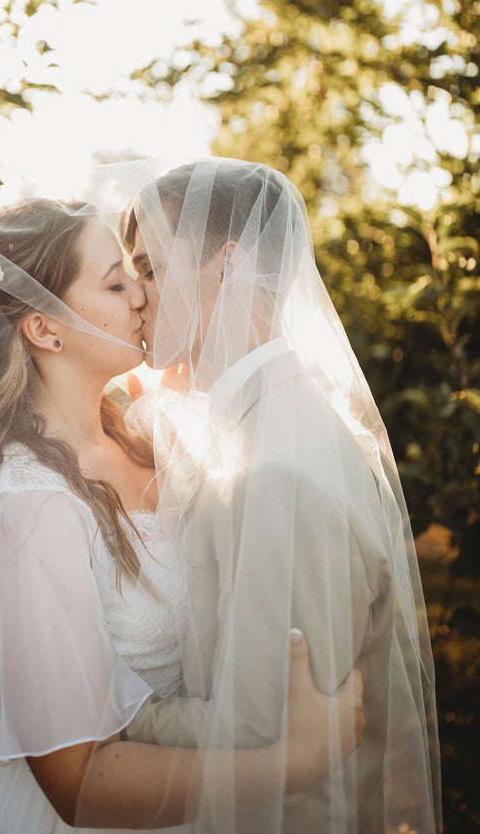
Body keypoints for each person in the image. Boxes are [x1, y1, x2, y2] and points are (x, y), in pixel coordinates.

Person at [0, 187, 365, 833]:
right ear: (43, 328)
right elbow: (77, 781)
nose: (145, 296)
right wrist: (295, 762)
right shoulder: (29, 512)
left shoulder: (159, 439)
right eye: (118, 284)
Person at [120, 159, 442, 834]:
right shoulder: (273, 423)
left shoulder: (276, 471)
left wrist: (98, 704)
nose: (134, 296)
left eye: (150, 268)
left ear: (229, 263)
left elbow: (259, 724)